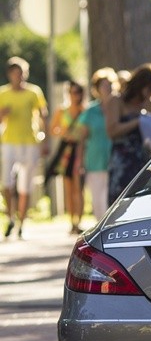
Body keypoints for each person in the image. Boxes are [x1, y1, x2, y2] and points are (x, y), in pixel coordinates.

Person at [0, 56, 49, 239]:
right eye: (14, 73)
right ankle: (10, 217)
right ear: (9, 75)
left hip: (30, 142)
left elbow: (43, 116)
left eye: (21, 73)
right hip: (9, 141)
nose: (18, 77)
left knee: (25, 185)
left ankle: (22, 222)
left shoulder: (34, 92)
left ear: (25, 74)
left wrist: (46, 141)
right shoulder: (2, 94)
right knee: (6, 182)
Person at [104, 62, 151, 205]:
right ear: (140, 85)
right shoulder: (116, 101)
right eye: (148, 89)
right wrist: (137, 122)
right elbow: (112, 131)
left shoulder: (149, 104)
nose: (150, 94)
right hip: (123, 163)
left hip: (144, 163)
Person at [76, 67, 117, 221]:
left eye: (110, 85)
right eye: (104, 86)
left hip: (115, 160)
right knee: (98, 199)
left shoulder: (118, 107)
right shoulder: (91, 111)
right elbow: (82, 138)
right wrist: (79, 162)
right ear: (97, 89)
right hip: (94, 161)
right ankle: (100, 229)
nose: (108, 89)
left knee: (112, 198)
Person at [50, 80, 86, 234]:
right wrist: (63, 132)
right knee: (68, 187)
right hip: (66, 152)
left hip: (80, 150)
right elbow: (52, 129)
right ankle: (72, 222)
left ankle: (79, 220)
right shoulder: (62, 110)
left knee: (79, 188)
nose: (75, 95)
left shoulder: (85, 110)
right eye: (72, 92)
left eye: (78, 92)